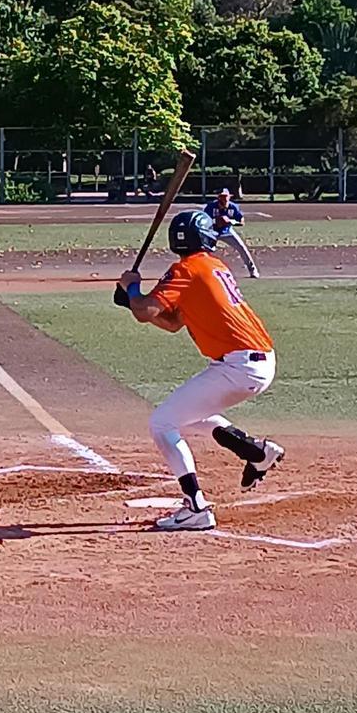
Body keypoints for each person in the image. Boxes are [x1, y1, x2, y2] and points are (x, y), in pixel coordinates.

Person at [114, 210, 284, 532]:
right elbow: (172, 322)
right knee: (189, 415)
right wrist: (131, 300)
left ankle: (196, 507)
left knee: (162, 423)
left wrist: (133, 290)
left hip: (238, 366)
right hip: (252, 362)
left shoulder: (185, 269)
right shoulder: (213, 266)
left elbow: (146, 311)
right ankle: (255, 452)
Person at [202, 188, 259, 278]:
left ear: (229, 197)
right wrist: (215, 221)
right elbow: (203, 220)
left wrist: (231, 221)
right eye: (221, 197)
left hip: (227, 231)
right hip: (212, 232)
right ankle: (201, 272)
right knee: (202, 251)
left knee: (241, 247)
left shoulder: (233, 207)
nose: (223, 199)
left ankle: (253, 270)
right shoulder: (211, 207)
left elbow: (241, 220)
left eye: (225, 196)